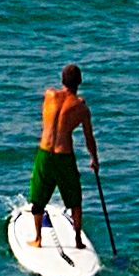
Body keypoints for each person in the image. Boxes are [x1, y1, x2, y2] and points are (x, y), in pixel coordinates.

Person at [30, 64, 102, 253]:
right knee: (75, 201)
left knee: (38, 198)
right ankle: (77, 240)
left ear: (62, 80)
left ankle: (38, 239)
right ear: (80, 82)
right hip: (64, 156)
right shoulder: (82, 109)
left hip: (45, 154)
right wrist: (94, 159)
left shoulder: (49, 95)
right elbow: (89, 138)